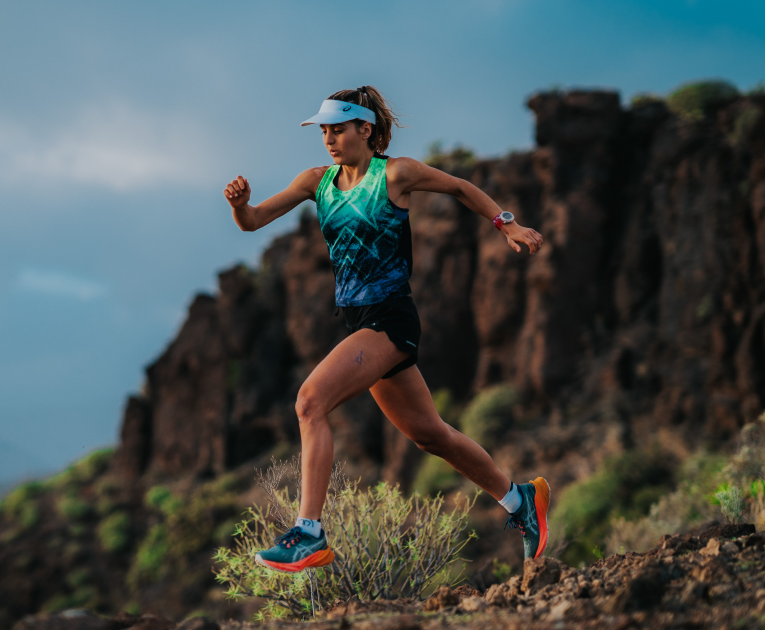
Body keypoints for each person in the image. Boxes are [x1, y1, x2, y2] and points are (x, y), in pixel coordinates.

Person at [222, 86, 551, 573]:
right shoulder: (317, 182)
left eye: (338, 129)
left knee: (310, 401)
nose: (330, 139)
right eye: (324, 131)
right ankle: (520, 501)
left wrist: (508, 224)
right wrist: (239, 204)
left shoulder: (395, 174)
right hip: (358, 322)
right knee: (430, 435)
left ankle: (308, 533)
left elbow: (460, 186)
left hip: (391, 318)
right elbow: (253, 223)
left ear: (366, 130)